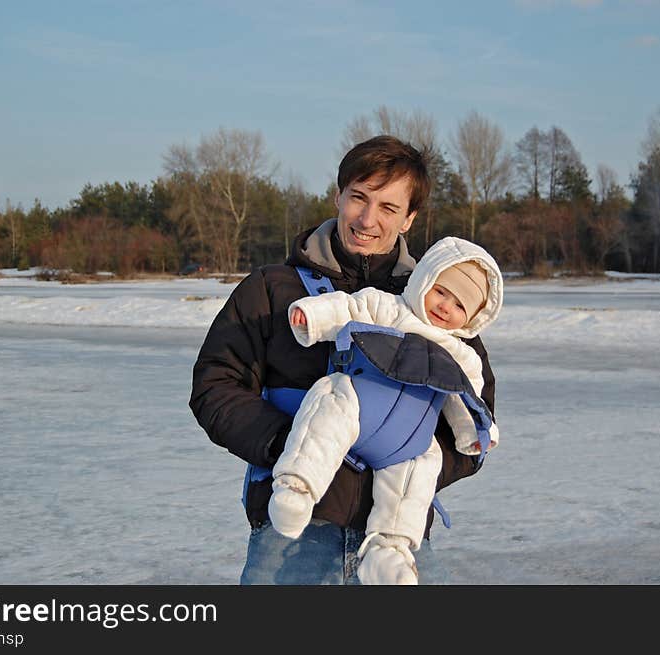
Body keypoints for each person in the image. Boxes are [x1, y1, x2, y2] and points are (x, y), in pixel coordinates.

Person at [189, 135, 498, 585]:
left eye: (389, 208)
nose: (368, 219)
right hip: (293, 541)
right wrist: (290, 445)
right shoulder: (273, 291)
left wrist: (411, 458)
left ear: (409, 218)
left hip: (397, 545)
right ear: (338, 195)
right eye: (359, 198)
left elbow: (477, 420)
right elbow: (215, 386)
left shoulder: (439, 307)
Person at [269, 236, 503, 584]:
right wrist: (313, 317)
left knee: (423, 464)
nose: (445, 306)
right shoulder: (388, 307)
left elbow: (466, 398)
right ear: (424, 278)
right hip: (360, 403)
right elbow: (347, 308)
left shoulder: (462, 355)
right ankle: (297, 487)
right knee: (328, 401)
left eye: (459, 305)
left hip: (408, 436)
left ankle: (388, 549)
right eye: (441, 291)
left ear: (472, 318)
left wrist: (476, 434)